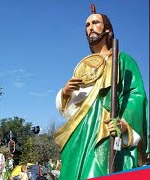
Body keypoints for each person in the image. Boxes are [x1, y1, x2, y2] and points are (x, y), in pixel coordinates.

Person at [54, 4, 149, 179]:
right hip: (79, 132)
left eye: (95, 23)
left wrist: (125, 124)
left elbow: (136, 95)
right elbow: (75, 106)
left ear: (107, 29)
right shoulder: (84, 65)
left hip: (104, 130)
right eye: (87, 25)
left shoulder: (122, 60)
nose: (90, 27)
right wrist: (66, 92)